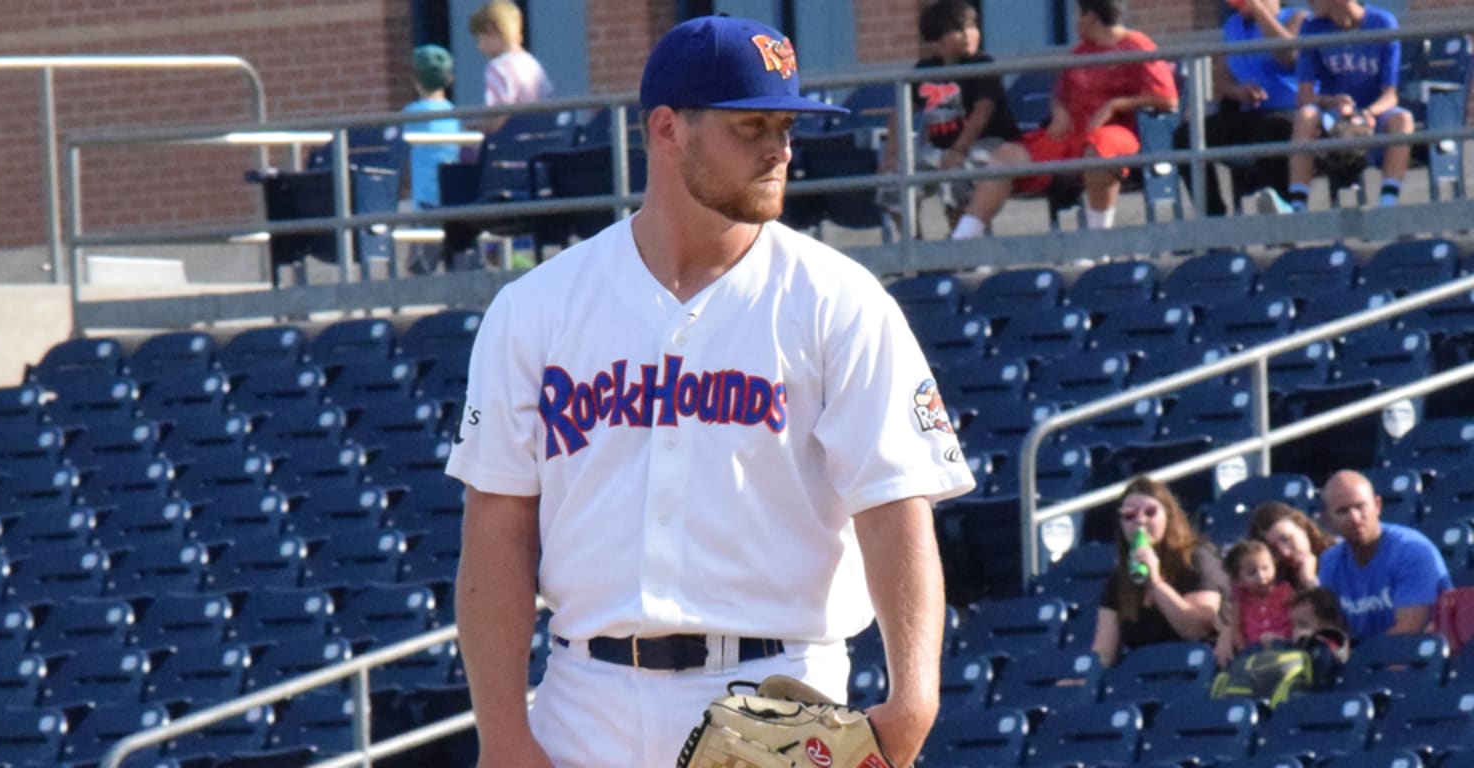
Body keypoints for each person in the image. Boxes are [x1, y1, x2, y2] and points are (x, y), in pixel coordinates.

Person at [447, 15, 977, 768]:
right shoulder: (538, 308)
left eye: (787, 126)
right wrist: (502, 733)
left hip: (779, 692)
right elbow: (497, 528)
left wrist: (914, 700)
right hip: (585, 701)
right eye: (751, 126)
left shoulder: (837, 300)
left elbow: (895, 505)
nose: (779, 149)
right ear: (668, 129)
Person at [949, 0, 1179, 240]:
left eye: (1078, 15)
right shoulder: (1081, 52)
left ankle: (1097, 243)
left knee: (1098, 152)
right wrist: (1058, 109)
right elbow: (1060, 93)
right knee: (1005, 157)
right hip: (1069, 134)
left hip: (1116, 132)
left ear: (1091, 17)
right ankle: (960, 242)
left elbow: (1167, 98)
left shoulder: (1137, 45)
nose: (1076, 22)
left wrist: (1115, 104)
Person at [879, 0, 1022, 236]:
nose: (969, 35)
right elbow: (900, 113)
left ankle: (963, 250)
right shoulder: (924, 70)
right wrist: (892, 155)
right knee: (893, 182)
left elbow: (982, 112)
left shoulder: (982, 65)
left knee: (955, 179)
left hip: (988, 146)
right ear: (936, 40)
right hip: (940, 150)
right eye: (957, 30)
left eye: (972, 26)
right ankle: (915, 250)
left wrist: (958, 150)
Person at [1275, 0, 1413, 212]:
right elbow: (1305, 96)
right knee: (1305, 115)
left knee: (1403, 119)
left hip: (1373, 114)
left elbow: (1390, 95)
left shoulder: (1381, 23)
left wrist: (1366, 113)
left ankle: (1387, 205)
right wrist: (1332, 102)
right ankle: (1297, 206)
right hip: (1333, 116)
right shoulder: (1312, 27)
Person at [1175, 0, 1306, 216]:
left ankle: (1281, 210)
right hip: (1252, 113)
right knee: (1186, 136)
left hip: (1293, 114)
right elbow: (1221, 77)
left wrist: (1259, 10)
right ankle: (1213, 218)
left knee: (1273, 128)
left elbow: (1288, 56)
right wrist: (1238, 91)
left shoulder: (1297, 18)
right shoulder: (1233, 26)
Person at [1092, 475, 1227, 668]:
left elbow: (1196, 629)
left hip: (1196, 669)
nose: (1140, 520)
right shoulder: (1120, 578)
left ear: (1168, 516)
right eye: (1129, 515)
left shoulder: (1197, 557)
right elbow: (1104, 652)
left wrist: (1155, 582)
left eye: (1150, 512)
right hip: (1146, 675)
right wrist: (1081, 681)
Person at [1316, 470, 1452, 639]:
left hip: (1417, 659)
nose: (1355, 518)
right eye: (1342, 511)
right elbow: (1325, 628)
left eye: (1360, 506)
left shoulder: (1411, 551)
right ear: (1328, 519)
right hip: (1363, 659)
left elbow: (1409, 632)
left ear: (1377, 506)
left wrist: (1355, 658)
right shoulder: (1330, 562)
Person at [402, 45, 466, 275]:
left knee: (419, 264)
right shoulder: (453, 112)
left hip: (424, 201)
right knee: (454, 257)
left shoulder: (412, 113)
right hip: (451, 196)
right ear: (449, 79)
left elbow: (400, 150)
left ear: (415, 79)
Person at [470, 0, 554, 132]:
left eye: (480, 39)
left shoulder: (497, 68)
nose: (479, 47)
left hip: (512, 142)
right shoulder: (532, 64)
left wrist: (480, 127)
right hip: (539, 138)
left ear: (492, 30)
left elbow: (499, 116)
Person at [1216, 539, 1295, 666]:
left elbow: (1298, 620)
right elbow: (1236, 630)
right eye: (1252, 573)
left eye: (1266, 568)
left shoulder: (1286, 592)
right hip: (1255, 655)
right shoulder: (1241, 601)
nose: (1261, 576)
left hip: (1286, 650)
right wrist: (1244, 654)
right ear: (1238, 580)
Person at [1247, 500, 1337, 590]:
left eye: (1285, 539)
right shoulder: (1274, 586)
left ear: (1302, 528)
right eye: (1273, 549)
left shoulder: (1341, 559)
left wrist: (1309, 580)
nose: (1285, 552)